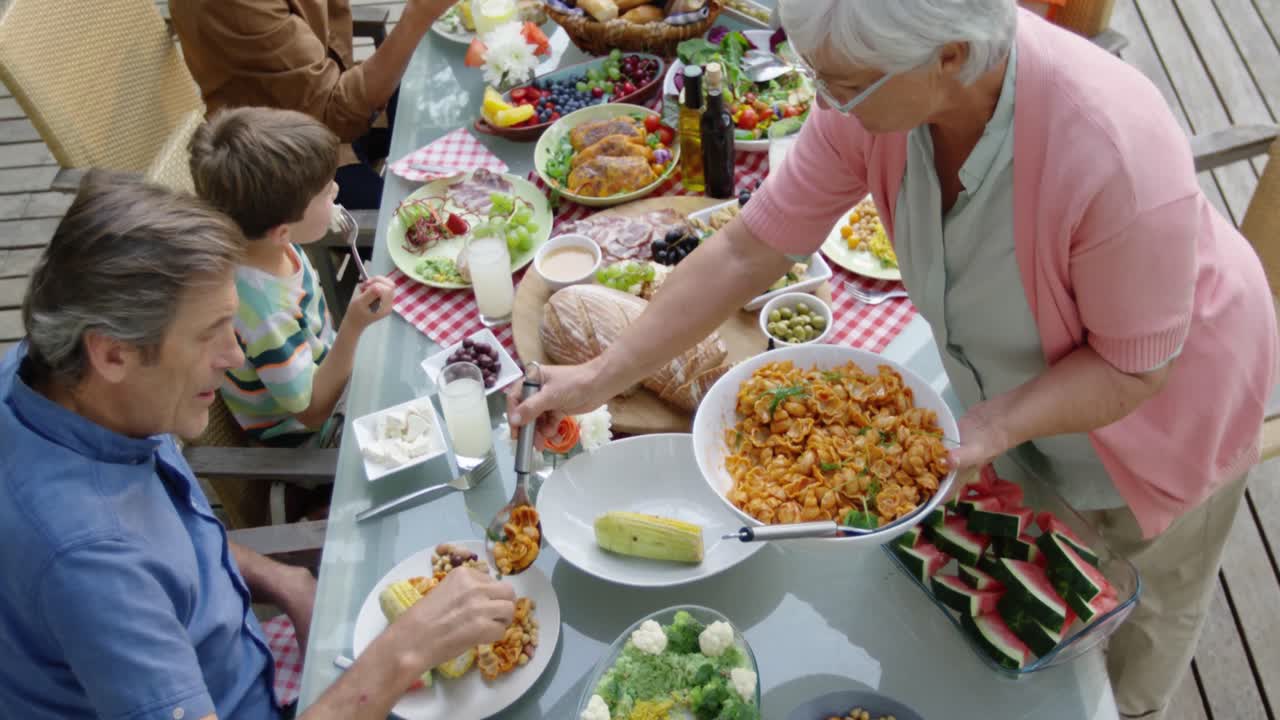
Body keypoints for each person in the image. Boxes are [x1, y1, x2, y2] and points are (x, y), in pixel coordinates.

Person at [508, 2, 1278, 718]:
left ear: (950, 56)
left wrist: (995, 425)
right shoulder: (876, 90)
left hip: (1166, 408)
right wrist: (598, 377)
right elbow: (749, 249)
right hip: (1015, 391)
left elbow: (1135, 370)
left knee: (1142, 616)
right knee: (1019, 598)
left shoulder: (1115, 149)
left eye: (845, 85)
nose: (827, 104)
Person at [0, 171, 516, 719]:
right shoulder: (91, 564)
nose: (234, 357)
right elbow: (120, 563)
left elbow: (173, 541)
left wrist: (281, 578)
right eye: (210, 334)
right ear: (112, 354)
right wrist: (402, 654)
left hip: (249, 649)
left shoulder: (52, 376)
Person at [188, 107, 396, 451]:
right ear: (282, 231)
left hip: (330, 369)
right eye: (325, 192)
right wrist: (354, 326)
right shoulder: (264, 313)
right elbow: (312, 412)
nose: (336, 189)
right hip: (316, 437)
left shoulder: (268, 247)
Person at [169, 0, 457, 208]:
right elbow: (333, 115)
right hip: (282, 164)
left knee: (444, 103)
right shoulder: (236, 7)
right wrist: (417, 16)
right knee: (429, 225)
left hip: (329, 106)